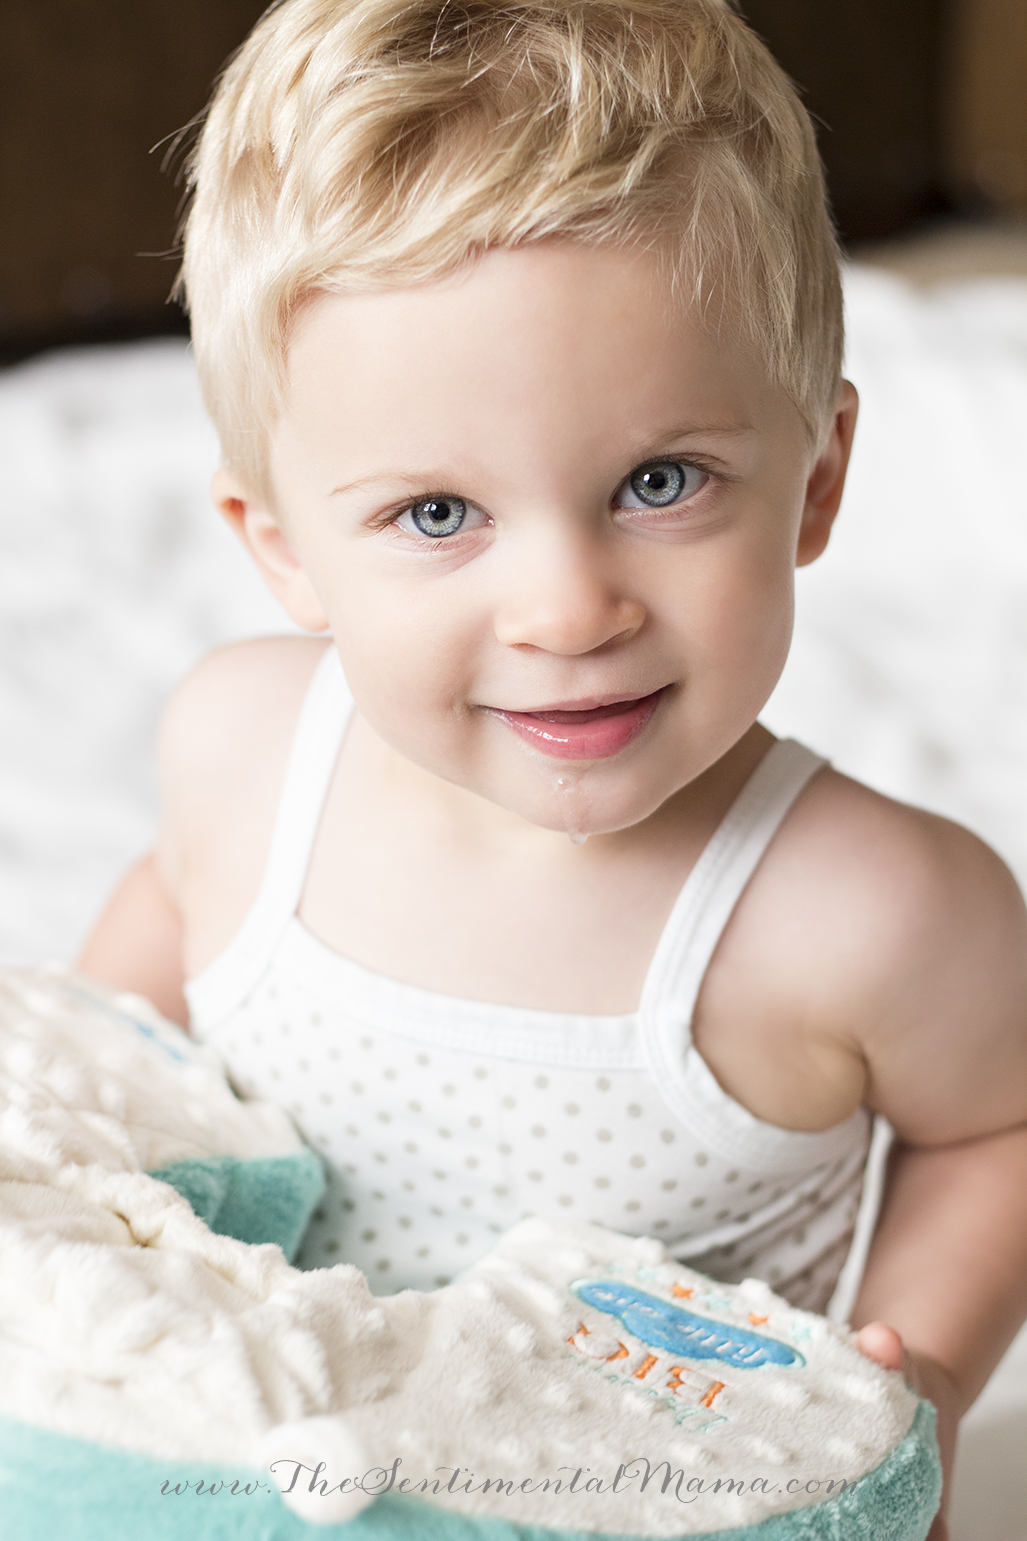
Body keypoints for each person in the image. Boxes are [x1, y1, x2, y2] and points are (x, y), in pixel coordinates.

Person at [78, 3, 1027, 1534]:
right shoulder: (243, 752)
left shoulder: (872, 911)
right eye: (438, 514)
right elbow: (147, 950)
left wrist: (927, 1374)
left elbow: (1000, 1127)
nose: (570, 609)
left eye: (660, 482)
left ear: (819, 480)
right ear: (282, 547)